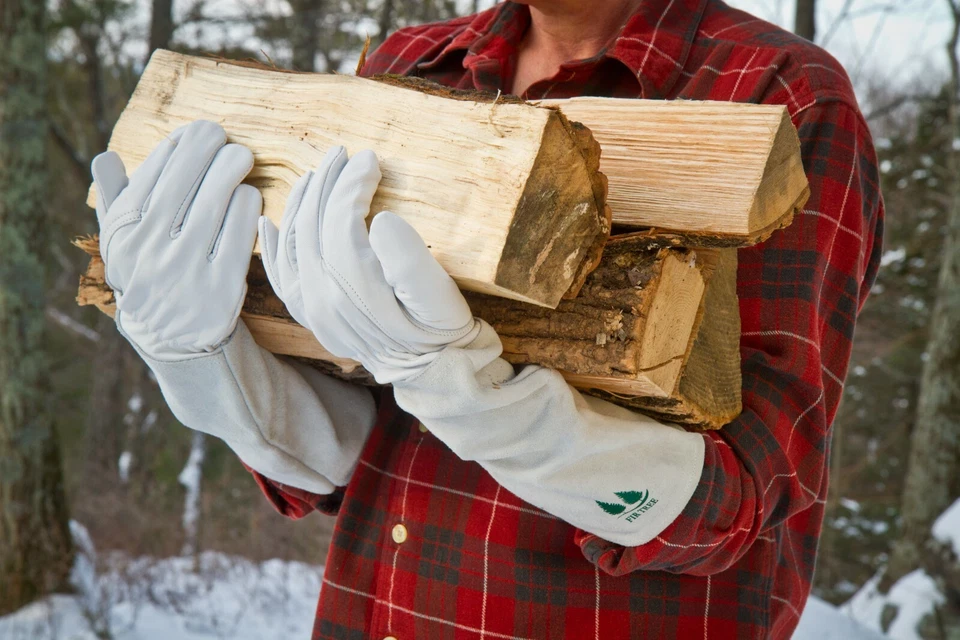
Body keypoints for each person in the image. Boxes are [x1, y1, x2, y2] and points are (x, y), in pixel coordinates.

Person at [88, 0, 884, 637]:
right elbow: (356, 461)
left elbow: (742, 502)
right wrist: (207, 363)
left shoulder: (780, 91)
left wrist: (474, 395)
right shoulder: (410, 68)